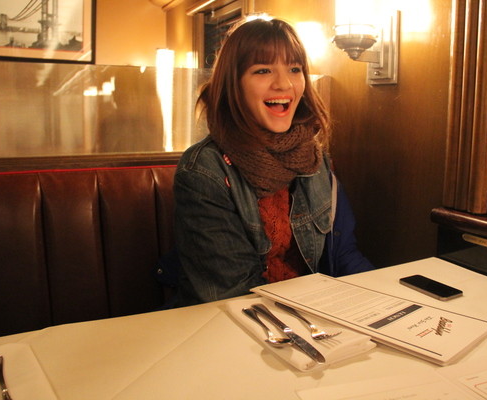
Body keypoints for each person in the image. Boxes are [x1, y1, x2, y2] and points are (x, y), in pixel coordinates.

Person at [158, 17, 373, 307]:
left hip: (310, 314)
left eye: (295, 69)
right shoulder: (204, 170)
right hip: (232, 323)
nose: (284, 83)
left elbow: (344, 254)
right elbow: (231, 292)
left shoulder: (314, 158)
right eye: (263, 70)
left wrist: (381, 302)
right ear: (233, 83)